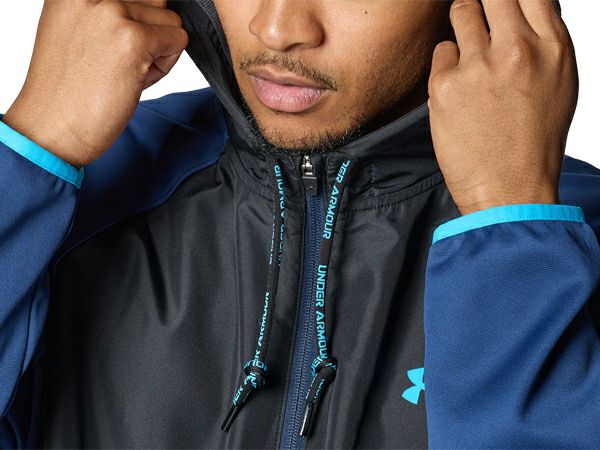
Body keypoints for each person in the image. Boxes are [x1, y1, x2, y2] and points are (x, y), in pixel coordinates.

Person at [0, 0, 598, 447]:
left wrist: (510, 232)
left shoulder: (568, 249)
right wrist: (29, 151)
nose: (277, 28)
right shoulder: (73, 194)